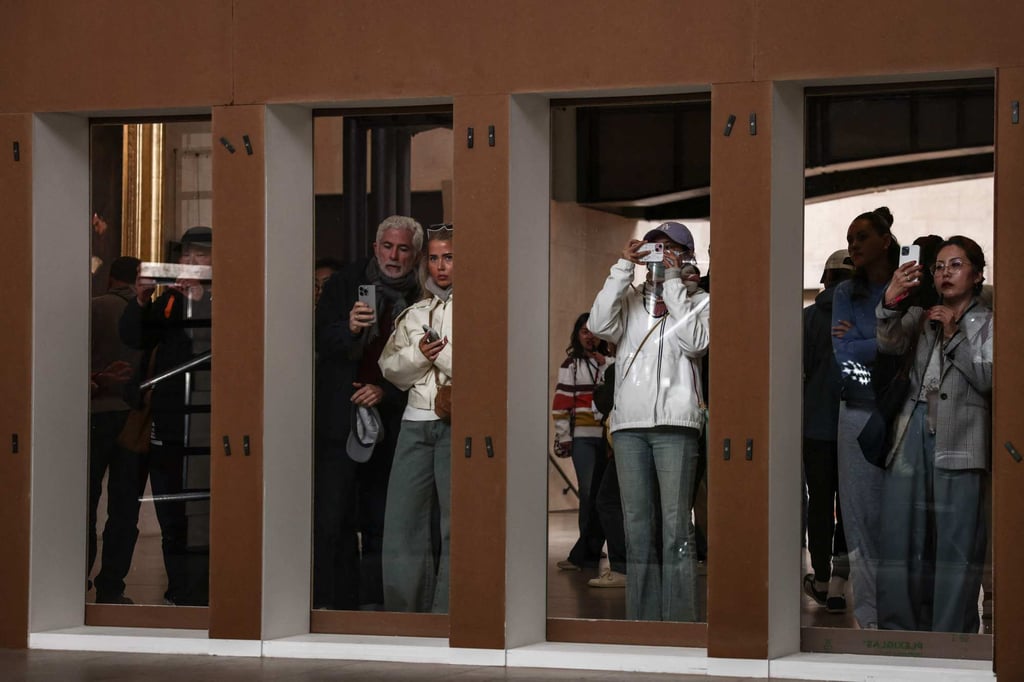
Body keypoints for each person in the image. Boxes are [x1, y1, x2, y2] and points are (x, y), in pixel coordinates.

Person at [588, 221, 709, 622]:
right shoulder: (628, 298)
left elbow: (696, 342)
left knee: (677, 529)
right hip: (629, 426)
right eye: (655, 249)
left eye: (670, 249)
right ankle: (642, 622)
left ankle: (680, 622)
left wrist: (673, 283)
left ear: (687, 256)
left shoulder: (700, 300)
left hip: (677, 424)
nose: (661, 256)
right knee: (637, 528)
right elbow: (598, 325)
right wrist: (622, 267)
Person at [875, 236, 991, 633]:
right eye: (939, 266)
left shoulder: (988, 321)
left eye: (956, 265)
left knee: (957, 544)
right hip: (911, 430)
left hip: (962, 438)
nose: (945, 273)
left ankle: (951, 637)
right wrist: (890, 300)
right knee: (900, 536)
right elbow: (887, 343)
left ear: (977, 275)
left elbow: (988, 378)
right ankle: (899, 635)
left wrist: (955, 333)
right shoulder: (922, 315)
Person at [314, 215, 424, 610]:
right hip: (340, 418)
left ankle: (377, 605)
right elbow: (321, 340)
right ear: (375, 248)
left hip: (393, 420)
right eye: (387, 247)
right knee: (333, 517)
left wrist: (386, 392)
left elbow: (427, 366)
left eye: (403, 249)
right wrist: (349, 328)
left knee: (384, 519)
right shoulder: (344, 284)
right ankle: (334, 605)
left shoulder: (423, 296)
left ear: (415, 254)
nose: (394, 256)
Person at [120, 226, 213, 606]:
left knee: (205, 514)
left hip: (210, 425)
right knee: (171, 512)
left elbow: (220, 342)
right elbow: (135, 338)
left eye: (200, 255)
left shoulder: (229, 297)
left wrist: (200, 299)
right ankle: (180, 591)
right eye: (186, 255)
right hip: (170, 422)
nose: (190, 262)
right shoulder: (170, 299)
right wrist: (142, 298)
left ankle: (208, 592)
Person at [378, 224, 454, 613]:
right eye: (435, 258)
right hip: (415, 421)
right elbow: (390, 369)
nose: (441, 266)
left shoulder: (479, 311)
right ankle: (405, 614)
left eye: (450, 257)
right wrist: (421, 355)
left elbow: (482, 369)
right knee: (402, 523)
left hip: (458, 423)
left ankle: (450, 612)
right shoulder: (414, 313)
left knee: (456, 524)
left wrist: (438, 354)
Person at [831, 206, 899, 629]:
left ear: (885, 241)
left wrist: (864, 338)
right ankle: (869, 619)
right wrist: (881, 340)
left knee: (902, 515)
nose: (853, 245)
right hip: (856, 408)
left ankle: (904, 616)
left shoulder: (907, 286)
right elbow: (845, 354)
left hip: (903, 408)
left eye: (861, 237)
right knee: (859, 518)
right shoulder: (845, 292)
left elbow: (906, 343)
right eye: (849, 239)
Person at [802, 249, 853, 614]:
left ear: (826, 278)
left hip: (816, 426)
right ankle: (839, 584)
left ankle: (819, 578)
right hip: (856, 427)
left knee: (820, 504)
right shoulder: (865, 316)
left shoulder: (806, 319)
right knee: (849, 507)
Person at [89, 256, 143, 604]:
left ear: (110, 277)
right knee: (124, 508)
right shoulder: (145, 317)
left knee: (84, 502)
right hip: (133, 419)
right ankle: (111, 586)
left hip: (93, 414)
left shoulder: (94, 309)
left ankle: (73, 579)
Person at [551, 313, 612, 575]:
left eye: (594, 331)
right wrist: (565, 437)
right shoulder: (571, 365)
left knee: (602, 496)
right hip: (584, 437)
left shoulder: (611, 362)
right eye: (584, 331)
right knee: (588, 494)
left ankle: (591, 548)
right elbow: (561, 404)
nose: (590, 336)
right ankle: (585, 552)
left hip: (608, 438)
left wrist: (607, 364)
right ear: (577, 335)